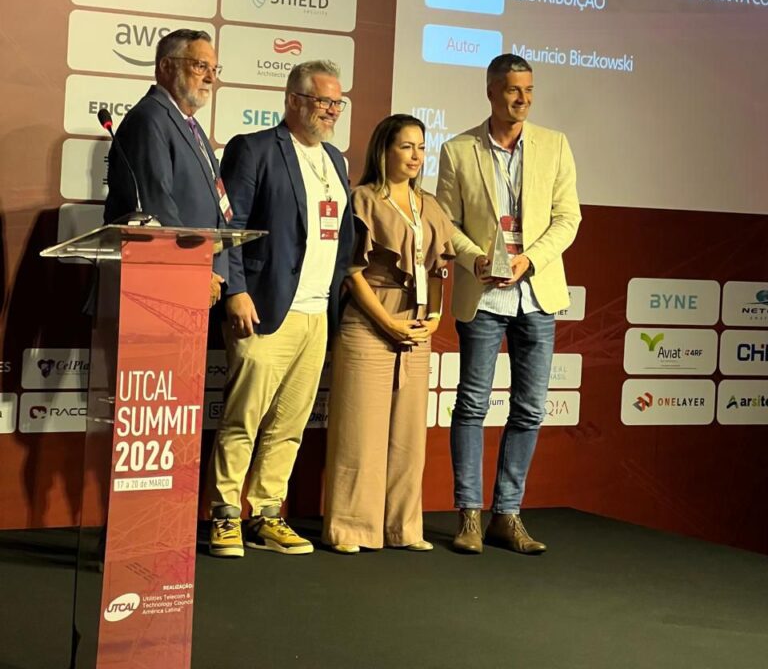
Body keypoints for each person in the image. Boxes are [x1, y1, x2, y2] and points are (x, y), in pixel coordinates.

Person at [437, 53, 581, 555]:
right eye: (514, 90)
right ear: (492, 92)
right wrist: (475, 258)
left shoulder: (554, 145)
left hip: (536, 292)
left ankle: (508, 514)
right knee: (472, 404)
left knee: (530, 408)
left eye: (529, 90)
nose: (523, 99)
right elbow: (446, 222)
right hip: (484, 294)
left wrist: (530, 260)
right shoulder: (458, 149)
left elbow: (568, 218)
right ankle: (469, 516)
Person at [208, 60, 353, 557]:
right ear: (293, 100)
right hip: (265, 308)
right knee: (243, 418)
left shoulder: (335, 160)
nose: (331, 111)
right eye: (322, 101)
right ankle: (225, 514)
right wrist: (235, 289)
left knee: (289, 425)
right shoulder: (254, 149)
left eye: (337, 102)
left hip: (316, 313)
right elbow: (229, 226)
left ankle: (266, 514)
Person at [323, 115, 454, 554]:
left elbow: (439, 268)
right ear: (385, 150)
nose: (416, 156)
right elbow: (352, 272)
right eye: (406, 147)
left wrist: (436, 315)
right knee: (360, 432)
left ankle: (404, 528)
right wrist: (385, 321)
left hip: (416, 326)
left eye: (421, 147)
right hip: (369, 321)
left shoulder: (429, 204)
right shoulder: (362, 200)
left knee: (409, 438)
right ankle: (351, 530)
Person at [104, 28, 229, 306]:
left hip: (192, 281)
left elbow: (218, 205)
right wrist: (195, 269)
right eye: (200, 66)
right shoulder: (149, 119)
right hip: (156, 286)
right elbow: (156, 206)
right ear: (166, 66)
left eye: (214, 69)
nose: (211, 78)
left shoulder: (190, 125)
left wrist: (216, 271)